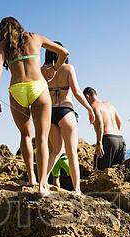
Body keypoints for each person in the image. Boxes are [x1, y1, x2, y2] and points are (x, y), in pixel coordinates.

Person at [0, 17, 69, 197]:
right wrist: (55, 68)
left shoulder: (4, 45)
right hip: (38, 87)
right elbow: (64, 52)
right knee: (42, 138)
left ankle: (31, 178)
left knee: (25, 135)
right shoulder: (34, 37)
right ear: (19, 26)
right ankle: (42, 185)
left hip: (17, 89)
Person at [41, 42, 95, 193]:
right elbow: (77, 92)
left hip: (50, 113)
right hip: (66, 111)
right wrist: (89, 108)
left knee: (56, 150)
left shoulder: (41, 71)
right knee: (71, 153)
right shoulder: (68, 68)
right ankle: (77, 189)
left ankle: (43, 182)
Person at [83, 87, 126, 170]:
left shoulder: (94, 107)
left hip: (108, 140)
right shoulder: (109, 105)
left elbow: (100, 124)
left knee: (98, 172)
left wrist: (99, 143)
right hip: (120, 140)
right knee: (118, 172)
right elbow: (119, 122)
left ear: (87, 96)